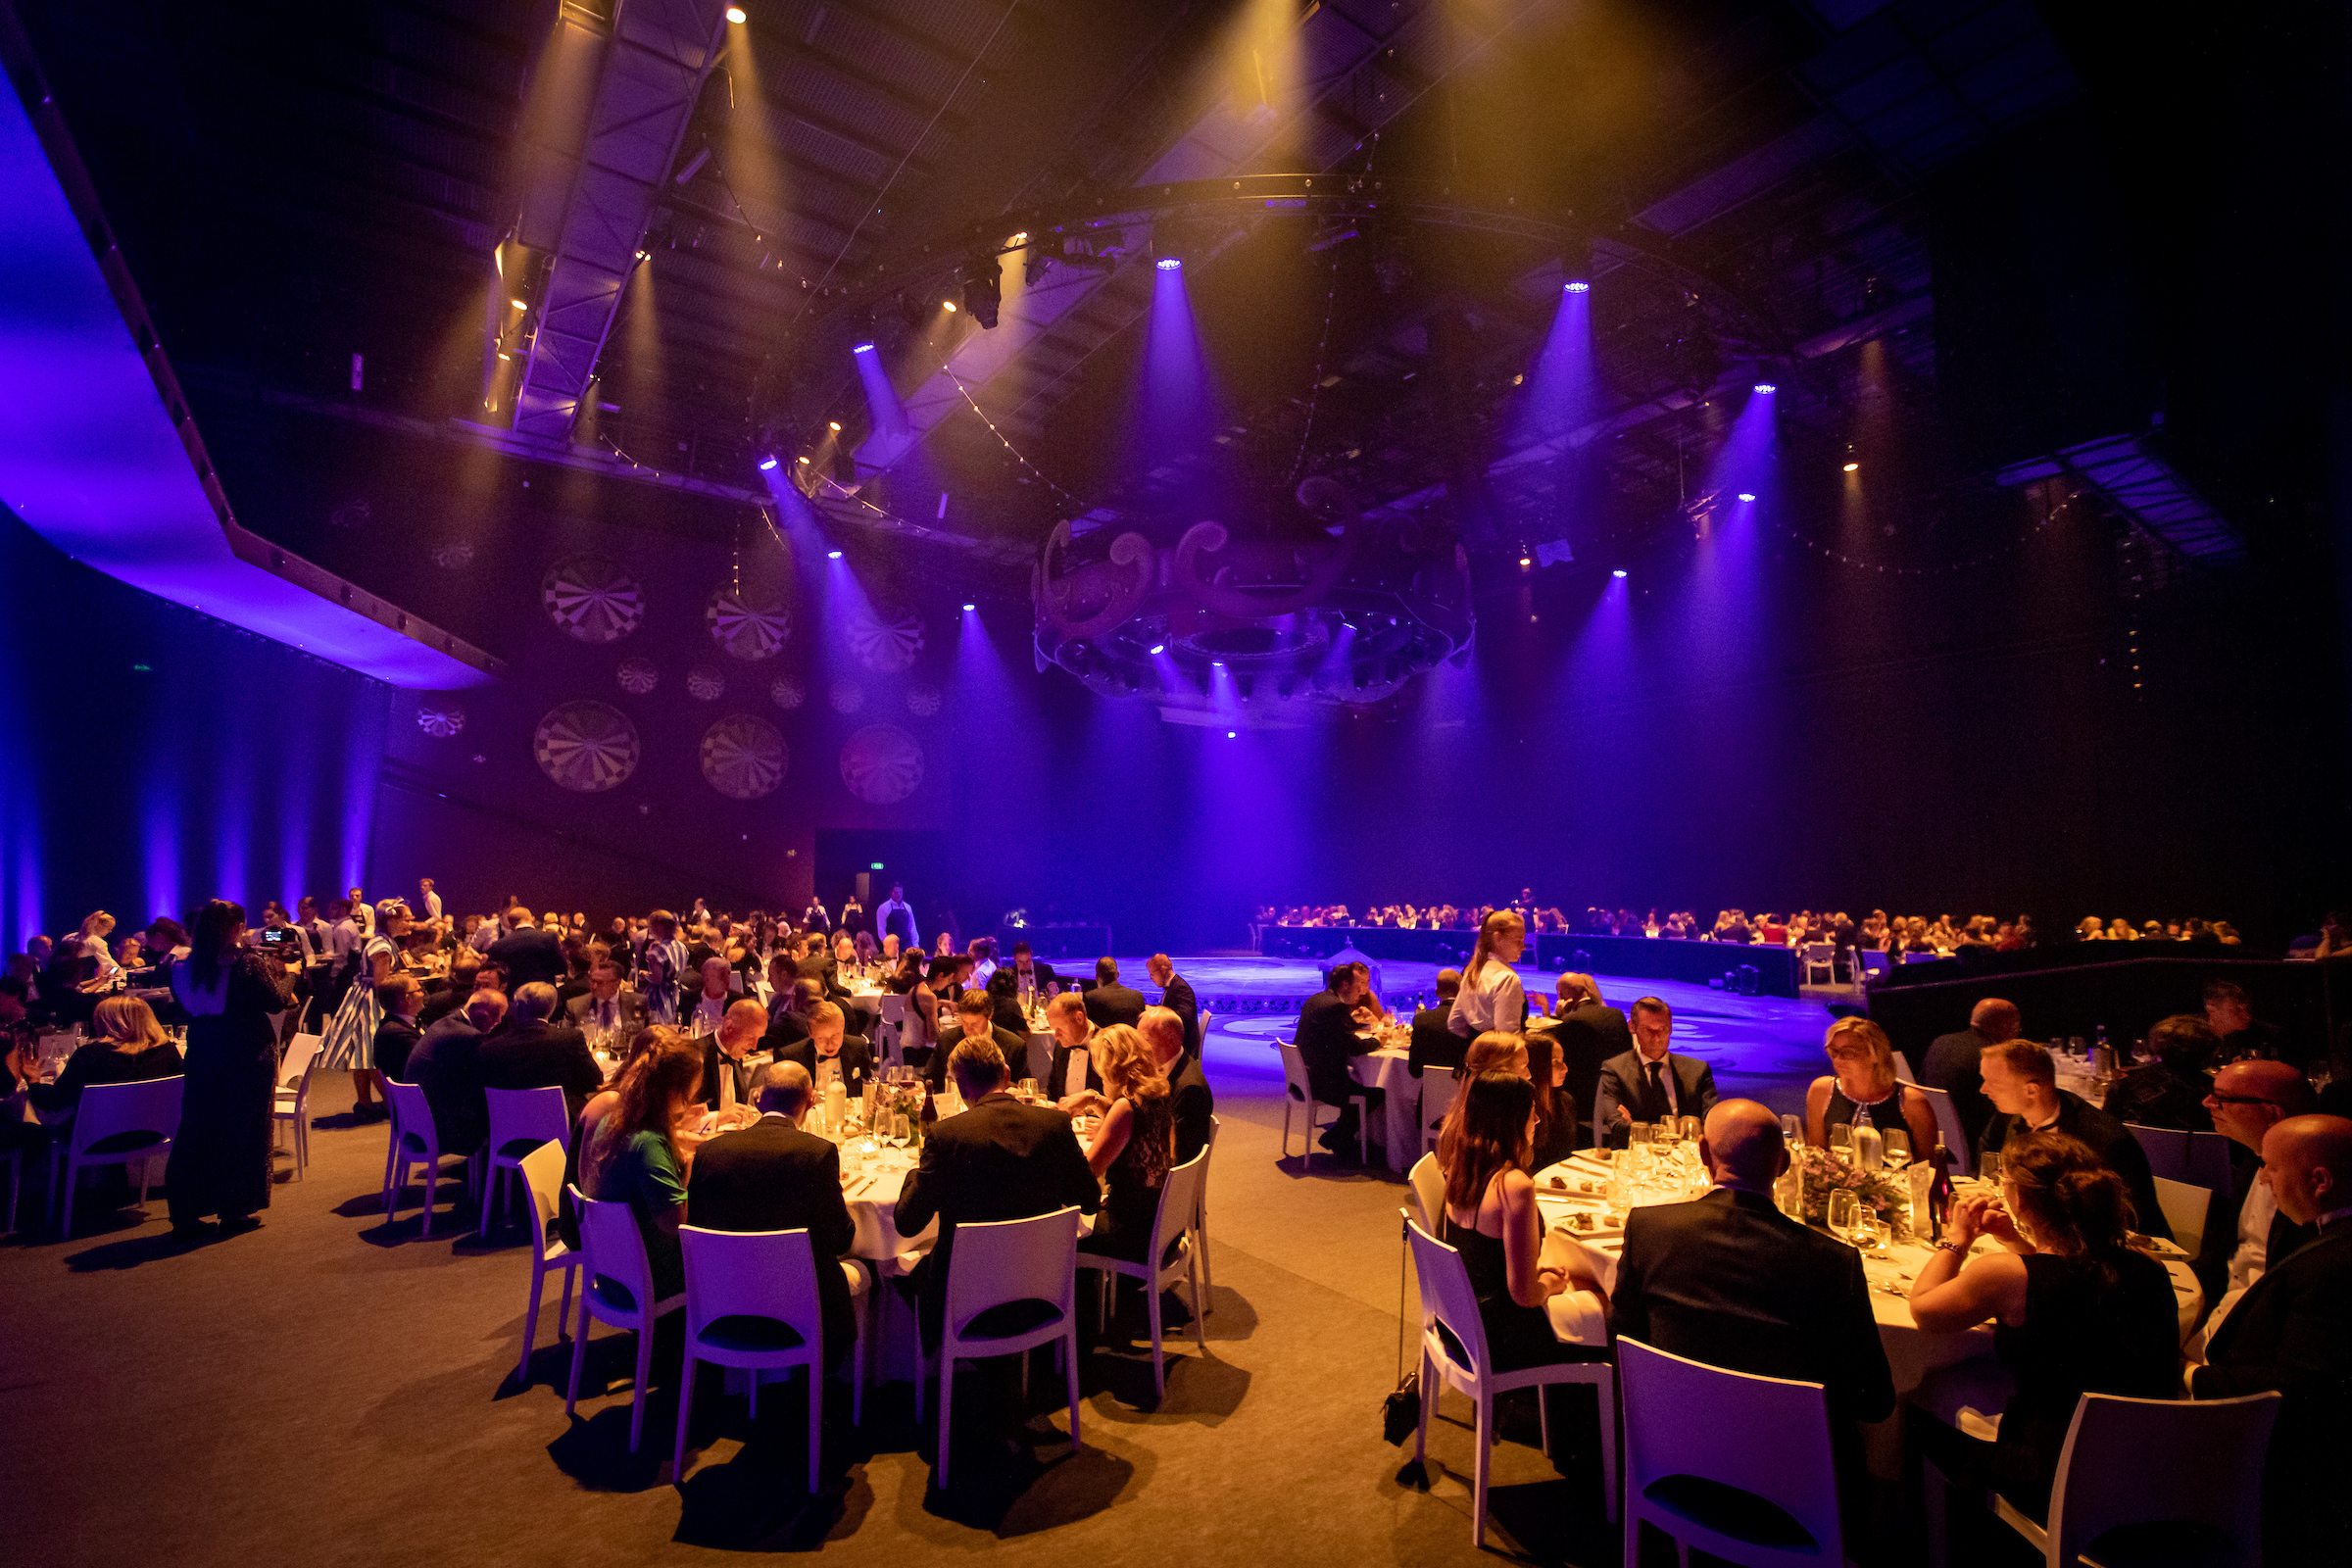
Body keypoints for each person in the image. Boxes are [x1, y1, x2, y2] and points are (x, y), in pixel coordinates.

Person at [1612, 1100, 1894, 1505]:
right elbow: (1874, 1401)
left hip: (1677, 1468)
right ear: (1782, 1165)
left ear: (1704, 1155)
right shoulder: (1834, 1263)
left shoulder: (1649, 1230)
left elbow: (1626, 1344)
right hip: (1797, 1494)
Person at [1908, 1130, 2182, 1537]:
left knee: (1917, 1405)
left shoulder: (2003, 1274)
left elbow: (1924, 1310)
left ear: (2021, 1199)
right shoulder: (2150, 1268)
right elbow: (2065, 1272)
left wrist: (1957, 1238)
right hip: (2144, 1470)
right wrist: (2015, 1239)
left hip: (2052, 1475)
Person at [2186, 1114, 2352, 1563]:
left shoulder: (2334, 1265)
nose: (2262, 1178)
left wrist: (2191, 1376)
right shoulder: (2321, 1236)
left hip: (2293, 1475)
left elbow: (2300, 1389)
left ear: (2320, 1180)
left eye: (2271, 1167)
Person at [892, 1035, 1100, 1352]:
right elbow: (1088, 1200)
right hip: (1041, 1292)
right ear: (1006, 1074)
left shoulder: (946, 1136)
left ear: (960, 1088)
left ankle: (941, 1364)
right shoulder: (1055, 1123)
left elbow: (907, 1222)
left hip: (965, 1302)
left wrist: (913, 1175)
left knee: (897, 1271)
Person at [685, 1060, 862, 1369]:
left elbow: (696, 1227)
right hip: (802, 1313)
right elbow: (840, 1240)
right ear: (810, 1100)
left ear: (756, 1099)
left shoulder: (709, 1152)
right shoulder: (816, 1153)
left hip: (723, 1307)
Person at [1441, 1069, 1612, 1386]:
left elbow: (1484, 1258)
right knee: (1607, 1304)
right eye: (1532, 1114)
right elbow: (1524, 1296)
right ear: (1514, 1121)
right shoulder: (1514, 1185)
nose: (1537, 1122)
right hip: (1498, 1337)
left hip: (1458, 1322)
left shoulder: (1459, 1166)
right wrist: (1548, 1284)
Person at [165, 900, 292, 1239]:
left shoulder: (181, 966)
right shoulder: (247, 963)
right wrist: (291, 975)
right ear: (237, 928)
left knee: (197, 1129)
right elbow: (275, 1001)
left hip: (203, 1049)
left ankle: (186, 1210)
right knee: (243, 1130)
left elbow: (184, 1008)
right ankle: (234, 1209)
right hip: (246, 1053)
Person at [1978, 1039, 2169, 1240]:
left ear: (2031, 1090)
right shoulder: (2007, 1117)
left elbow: (2129, 1221)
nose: (1983, 1089)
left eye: (1994, 1083)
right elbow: (1990, 1168)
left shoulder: (2104, 1140)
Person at [2190, 1059, 2318, 1324]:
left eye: (2222, 1098)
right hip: (2219, 1309)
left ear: (2272, 1114)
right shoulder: (2250, 1160)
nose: (2207, 1103)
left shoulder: (2313, 1190)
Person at [581, 1032, 704, 1300]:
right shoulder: (648, 1144)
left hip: (611, 1269)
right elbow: (675, 1225)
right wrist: (689, 1171)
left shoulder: (615, 1121)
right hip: (644, 1281)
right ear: (677, 1090)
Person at [1075, 1024, 1177, 1265]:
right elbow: (1129, 1125)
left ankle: (1081, 1301)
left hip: (1134, 1231)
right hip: (1161, 1220)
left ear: (1111, 1066)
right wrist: (1094, 1099)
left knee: (1063, 1235)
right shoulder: (1157, 1093)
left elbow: (1089, 1173)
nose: (1099, 1073)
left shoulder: (1126, 1106)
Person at [318, 898, 412, 1120]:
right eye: (407, 919)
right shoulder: (382, 945)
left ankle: (364, 1101)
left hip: (362, 995)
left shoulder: (382, 940)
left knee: (362, 1053)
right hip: (372, 1000)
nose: (411, 923)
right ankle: (392, 1105)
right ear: (391, 920)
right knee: (373, 1054)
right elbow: (382, 983)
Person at [27, 995, 182, 1118]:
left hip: (96, 1142)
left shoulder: (89, 1056)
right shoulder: (167, 1051)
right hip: (155, 1134)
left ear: (107, 1023)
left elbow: (54, 1102)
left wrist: (34, 1081)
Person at [1804, 1017, 1939, 1158]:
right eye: (1834, 1051)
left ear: (1875, 1054)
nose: (1838, 1059)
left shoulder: (1911, 1102)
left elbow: (1929, 1167)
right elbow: (1815, 1157)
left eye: (1848, 1052)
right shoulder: (1821, 1091)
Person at [1592, 998, 1719, 1147]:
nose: (1657, 1037)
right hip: (1638, 1158)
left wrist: (1637, 1126)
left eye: (1662, 1029)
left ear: (1671, 1028)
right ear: (1632, 1027)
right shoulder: (1615, 1070)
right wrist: (1679, 1126)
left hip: (1686, 1159)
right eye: (1649, 1030)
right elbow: (1619, 1128)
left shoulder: (1697, 1070)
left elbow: (1713, 1124)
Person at [476, 981, 606, 1124]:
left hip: (508, 1124)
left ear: (517, 1007)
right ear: (551, 1008)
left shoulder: (491, 1047)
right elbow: (594, 1080)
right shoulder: (569, 1039)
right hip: (560, 1123)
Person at [1297, 960, 1379, 1156]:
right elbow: (1355, 1048)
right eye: (1356, 985)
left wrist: (1357, 1022)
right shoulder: (1336, 1007)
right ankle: (1338, 1137)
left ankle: (1343, 1137)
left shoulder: (1317, 999)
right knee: (1378, 1092)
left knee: (1361, 1081)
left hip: (1305, 1077)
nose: (1360, 990)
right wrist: (1379, 1040)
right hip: (1324, 1084)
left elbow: (1337, 1030)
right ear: (1344, 984)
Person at [1534, 972, 1628, 1142]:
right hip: (1617, 1093)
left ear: (1562, 995)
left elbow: (1553, 1049)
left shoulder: (1571, 1021)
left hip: (1581, 1100)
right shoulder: (1616, 1014)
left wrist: (1558, 1018)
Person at [410, 988, 503, 1157]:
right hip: (442, 1128)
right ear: (475, 1007)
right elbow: (482, 1080)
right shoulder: (469, 1036)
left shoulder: (445, 1023)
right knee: (504, 1113)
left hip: (416, 1121)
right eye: (495, 1013)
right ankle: (496, 1178)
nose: (499, 1020)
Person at [1922, 997, 2015, 1152]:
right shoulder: (1991, 1057)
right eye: (2017, 1027)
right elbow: (2000, 1110)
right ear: (2004, 1025)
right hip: (1975, 1142)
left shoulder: (1940, 1042)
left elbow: (1920, 1084)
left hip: (1935, 1132)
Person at [2103, 1013, 2221, 1131]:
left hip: (2136, 1149)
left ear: (2156, 1043)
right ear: (2210, 1050)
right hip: (2203, 1149)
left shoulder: (2125, 1084)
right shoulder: (2219, 1093)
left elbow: (2106, 1132)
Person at [1139, 1004, 1213, 1163]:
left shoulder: (1190, 1089)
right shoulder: (1168, 1066)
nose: (1140, 1049)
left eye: (1145, 1040)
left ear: (1171, 1039)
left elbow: (1179, 1153)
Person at [923, 989, 1021, 1096]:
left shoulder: (1014, 1044)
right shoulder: (946, 1039)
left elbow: (1025, 1084)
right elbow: (929, 1076)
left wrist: (1016, 1090)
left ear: (989, 1016)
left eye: (975, 1023)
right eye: (964, 1022)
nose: (969, 1029)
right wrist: (920, 1084)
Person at [1446, 909, 1527, 1039]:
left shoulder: (1473, 971)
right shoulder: (1507, 978)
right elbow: (1507, 1037)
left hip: (1474, 1054)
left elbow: (1454, 1023)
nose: (1523, 946)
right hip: (1498, 1056)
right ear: (1498, 939)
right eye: (1518, 940)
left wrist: (1477, 1043)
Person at [776, 999, 876, 1101]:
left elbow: (869, 1084)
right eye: (821, 1038)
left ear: (843, 1027)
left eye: (835, 1036)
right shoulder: (791, 1057)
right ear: (811, 1033)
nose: (830, 1043)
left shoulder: (857, 1047)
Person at [699, 998, 771, 1113]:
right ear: (728, 1027)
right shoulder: (697, 1056)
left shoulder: (736, 1054)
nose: (754, 1047)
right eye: (750, 1037)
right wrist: (717, 1119)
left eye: (758, 1038)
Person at [1522, 1029, 1579, 1167]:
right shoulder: (1523, 1105)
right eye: (1555, 1063)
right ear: (1538, 1065)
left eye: (1563, 1061)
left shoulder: (1565, 1101)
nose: (1565, 1068)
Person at [2202, 978, 2288, 1064]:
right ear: (2211, 1009)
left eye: (2246, 1010)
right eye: (2237, 1011)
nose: (2247, 1017)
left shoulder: (2266, 1035)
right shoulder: (2194, 1036)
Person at [1043, 991, 1102, 1109]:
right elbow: (1052, 1091)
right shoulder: (1061, 1047)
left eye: (1060, 1029)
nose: (1056, 1036)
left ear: (1079, 1018)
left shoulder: (1106, 1044)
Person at [565, 958, 647, 1044]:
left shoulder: (638, 1003)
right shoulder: (575, 1005)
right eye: (592, 981)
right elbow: (567, 1040)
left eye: (600, 982)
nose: (594, 987)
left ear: (616, 984)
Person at [487, 906, 564, 993]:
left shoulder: (499, 945)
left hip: (513, 997)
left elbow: (493, 973)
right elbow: (561, 967)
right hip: (545, 994)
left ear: (510, 924)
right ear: (532, 919)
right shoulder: (549, 938)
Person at [1408, 969, 1466, 1077]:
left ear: (1437, 992)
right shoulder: (1470, 1020)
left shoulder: (1421, 1020)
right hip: (1464, 1090)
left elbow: (1414, 1070)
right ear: (1461, 990)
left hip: (1430, 1092)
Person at [370, 975, 426, 1085]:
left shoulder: (395, 1025)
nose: (423, 994)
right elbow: (425, 1067)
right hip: (416, 1097)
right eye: (419, 990)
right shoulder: (397, 1035)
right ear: (408, 999)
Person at [1146, 953, 1198, 1059]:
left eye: (1152, 974)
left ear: (1163, 970)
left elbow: (1183, 1017)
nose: (1151, 978)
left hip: (1183, 1045)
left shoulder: (1181, 988)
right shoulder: (1172, 986)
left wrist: (1156, 1012)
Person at [1082, 956, 1147, 1031]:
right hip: (1131, 1042)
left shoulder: (1090, 998)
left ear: (1097, 977)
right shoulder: (1137, 996)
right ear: (1117, 974)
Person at [685, 956, 736, 1038]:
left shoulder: (737, 1002)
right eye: (722, 974)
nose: (727, 979)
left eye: (728, 974)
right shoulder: (688, 999)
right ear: (707, 977)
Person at [873, 882, 919, 955]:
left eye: (900, 892)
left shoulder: (907, 907)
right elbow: (881, 930)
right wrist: (888, 945)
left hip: (906, 945)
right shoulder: (883, 908)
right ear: (890, 892)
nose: (898, 895)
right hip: (891, 945)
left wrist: (916, 945)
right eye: (896, 892)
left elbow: (912, 927)